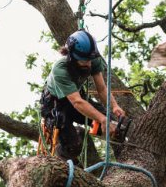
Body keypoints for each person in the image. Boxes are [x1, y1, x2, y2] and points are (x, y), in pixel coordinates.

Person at [40, 29, 126, 162]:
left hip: (76, 98)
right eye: (84, 60)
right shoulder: (60, 69)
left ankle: (122, 149)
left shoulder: (93, 59)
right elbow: (77, 103)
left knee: (109, 120)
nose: (89, 64)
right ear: (71, 56)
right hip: (56, 106)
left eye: (90, 60)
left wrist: (114, 106)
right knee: (72, 146)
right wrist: (102, 119)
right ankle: (63, 158)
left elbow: (102, 89)